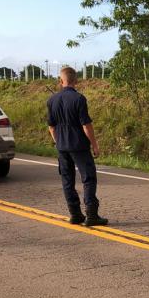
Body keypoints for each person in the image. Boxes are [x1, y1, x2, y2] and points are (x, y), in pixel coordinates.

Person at [47, 66, 108, 226]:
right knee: (88, 178)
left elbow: (51, 126)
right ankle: (91, 214)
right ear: (76, 81)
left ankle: (75, 214)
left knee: (67, 180)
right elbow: (86, 125)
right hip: (79, 145)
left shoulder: (51, 100)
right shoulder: (79, 99)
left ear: (61, 81)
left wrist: (57, 141)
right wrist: (94, 145)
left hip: (62, 147)